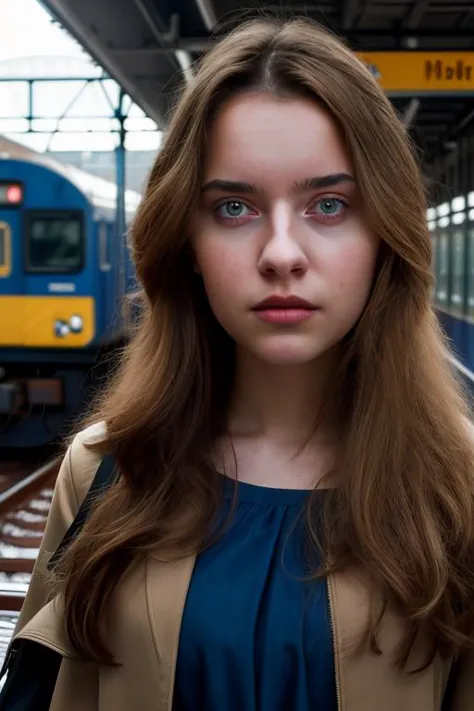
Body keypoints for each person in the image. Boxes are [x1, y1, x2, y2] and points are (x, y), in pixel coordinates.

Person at [2, 15, 474, 711]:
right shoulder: (103, 468)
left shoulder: (458, 485)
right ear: (185, 242)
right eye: (233, 207)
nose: (281, 253)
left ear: (386, 236)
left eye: (329, 204)